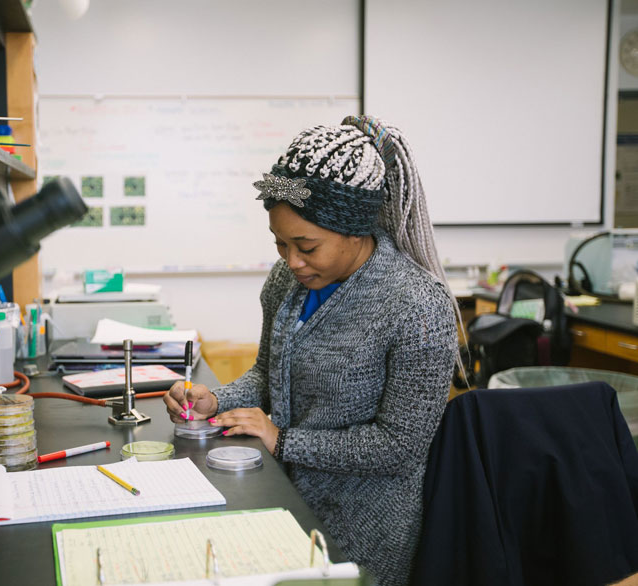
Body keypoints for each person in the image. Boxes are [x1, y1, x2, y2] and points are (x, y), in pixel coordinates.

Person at [163, 116, 460, 586]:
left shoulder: (417, 305)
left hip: (363, 528)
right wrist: (218, 400)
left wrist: (283, 440)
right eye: (280, 244)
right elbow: (268, 373)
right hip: (282, 496)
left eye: (306, 246)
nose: (291, 261)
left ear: (355, 230)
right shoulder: (288, 282)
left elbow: (399, 447)